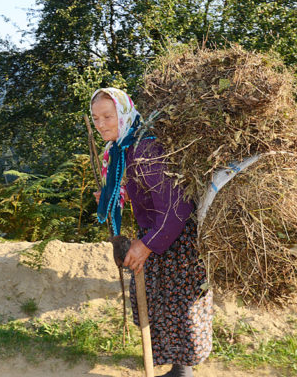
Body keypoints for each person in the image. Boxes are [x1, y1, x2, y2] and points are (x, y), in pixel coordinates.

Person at [90, 88, 212, 377]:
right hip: (161, 235)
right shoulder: (123, 148)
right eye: (96, 118)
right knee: (165, 306)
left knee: (179, 309)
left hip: (177, 240)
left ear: (123, 113)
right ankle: (178, 368)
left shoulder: (144, 149)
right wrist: (116, 195)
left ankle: (182, 373)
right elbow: (147, 190)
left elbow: (176, 206)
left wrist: (145, 246)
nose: (101, 124)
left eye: (108, 116)